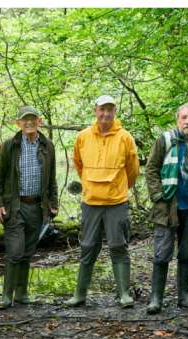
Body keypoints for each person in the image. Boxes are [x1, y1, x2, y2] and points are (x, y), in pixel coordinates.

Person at [69, 95, 140, 308]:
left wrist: (119, 188)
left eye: (110, 109)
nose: (106, 114)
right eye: (102, 109)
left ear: (115, 111)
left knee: (118, 246)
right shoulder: (82, 137)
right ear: (95, 111)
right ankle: (79, 295)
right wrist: (90, 186)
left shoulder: (125, 137)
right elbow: (79, 165)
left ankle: (124, 294)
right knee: (88, 246)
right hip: (90, 202)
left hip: (117, 202)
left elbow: (133, 170)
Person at [144, 103, 188, 314]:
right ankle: (156, 299)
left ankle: (183, 296)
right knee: (162, 253)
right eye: (184, 117)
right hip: (167, 207)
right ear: (177, 120)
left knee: (187, 253)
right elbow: (151, 169)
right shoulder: (165, 140)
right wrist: (157, 195)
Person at [0, 105, 58, 309]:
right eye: (24, 119)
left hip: (37, 207)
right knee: (15, 251)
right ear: (18, 123)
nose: (29, 122)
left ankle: (21, 294)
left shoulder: (48, 145)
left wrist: (53, 204)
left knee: (27, 252)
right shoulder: (9, 146)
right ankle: (6, 295)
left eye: (32, 119)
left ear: (39, 121)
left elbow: (52, 179)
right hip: (14, 207)